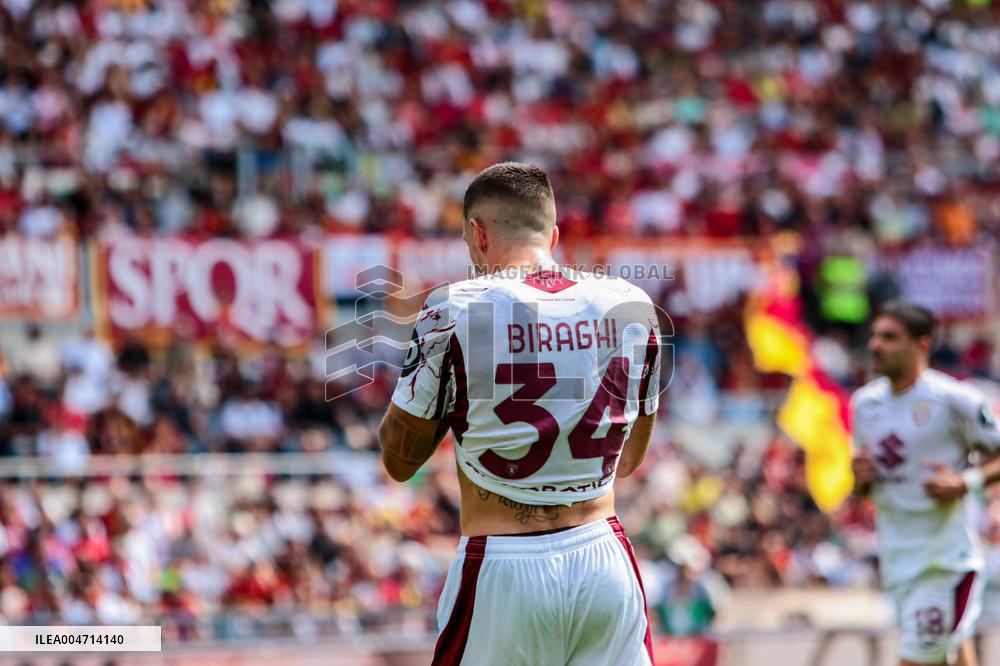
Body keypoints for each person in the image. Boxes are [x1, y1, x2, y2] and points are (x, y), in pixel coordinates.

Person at [378, 162, 662, 665]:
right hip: (603, 557)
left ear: (478, 234)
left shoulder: (453, 308)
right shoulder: (632, 303)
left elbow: (399, 461)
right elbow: (630, 458)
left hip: (503, 564)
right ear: (554, 235)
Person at [851, 301, 1000, 666]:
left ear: (921, 344)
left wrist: (965, 481)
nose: (875, 345)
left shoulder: (954, 400)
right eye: (874, 336)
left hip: (942, 565)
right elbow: (867, 486)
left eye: (889, 337)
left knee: (917, 660)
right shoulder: (864, 405)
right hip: (897, 562)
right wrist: (860, 480)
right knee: (951, 655)